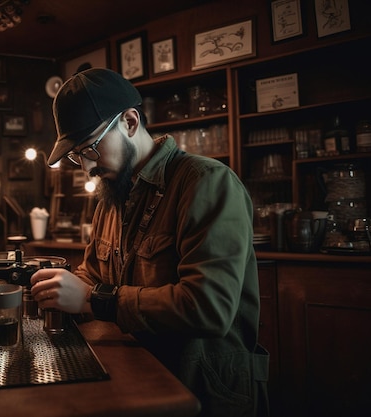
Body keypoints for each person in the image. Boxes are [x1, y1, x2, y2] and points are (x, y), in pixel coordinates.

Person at [29, 68, 269, 417]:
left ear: (129, 122)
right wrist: (59, 286)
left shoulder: (206, 182)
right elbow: (93, 274)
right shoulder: (112, 196)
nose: (85, 167)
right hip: (141, 376)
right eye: (76, 156)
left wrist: (92, 300)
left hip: (206, 391)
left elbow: (208, 308)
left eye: (91, 149)